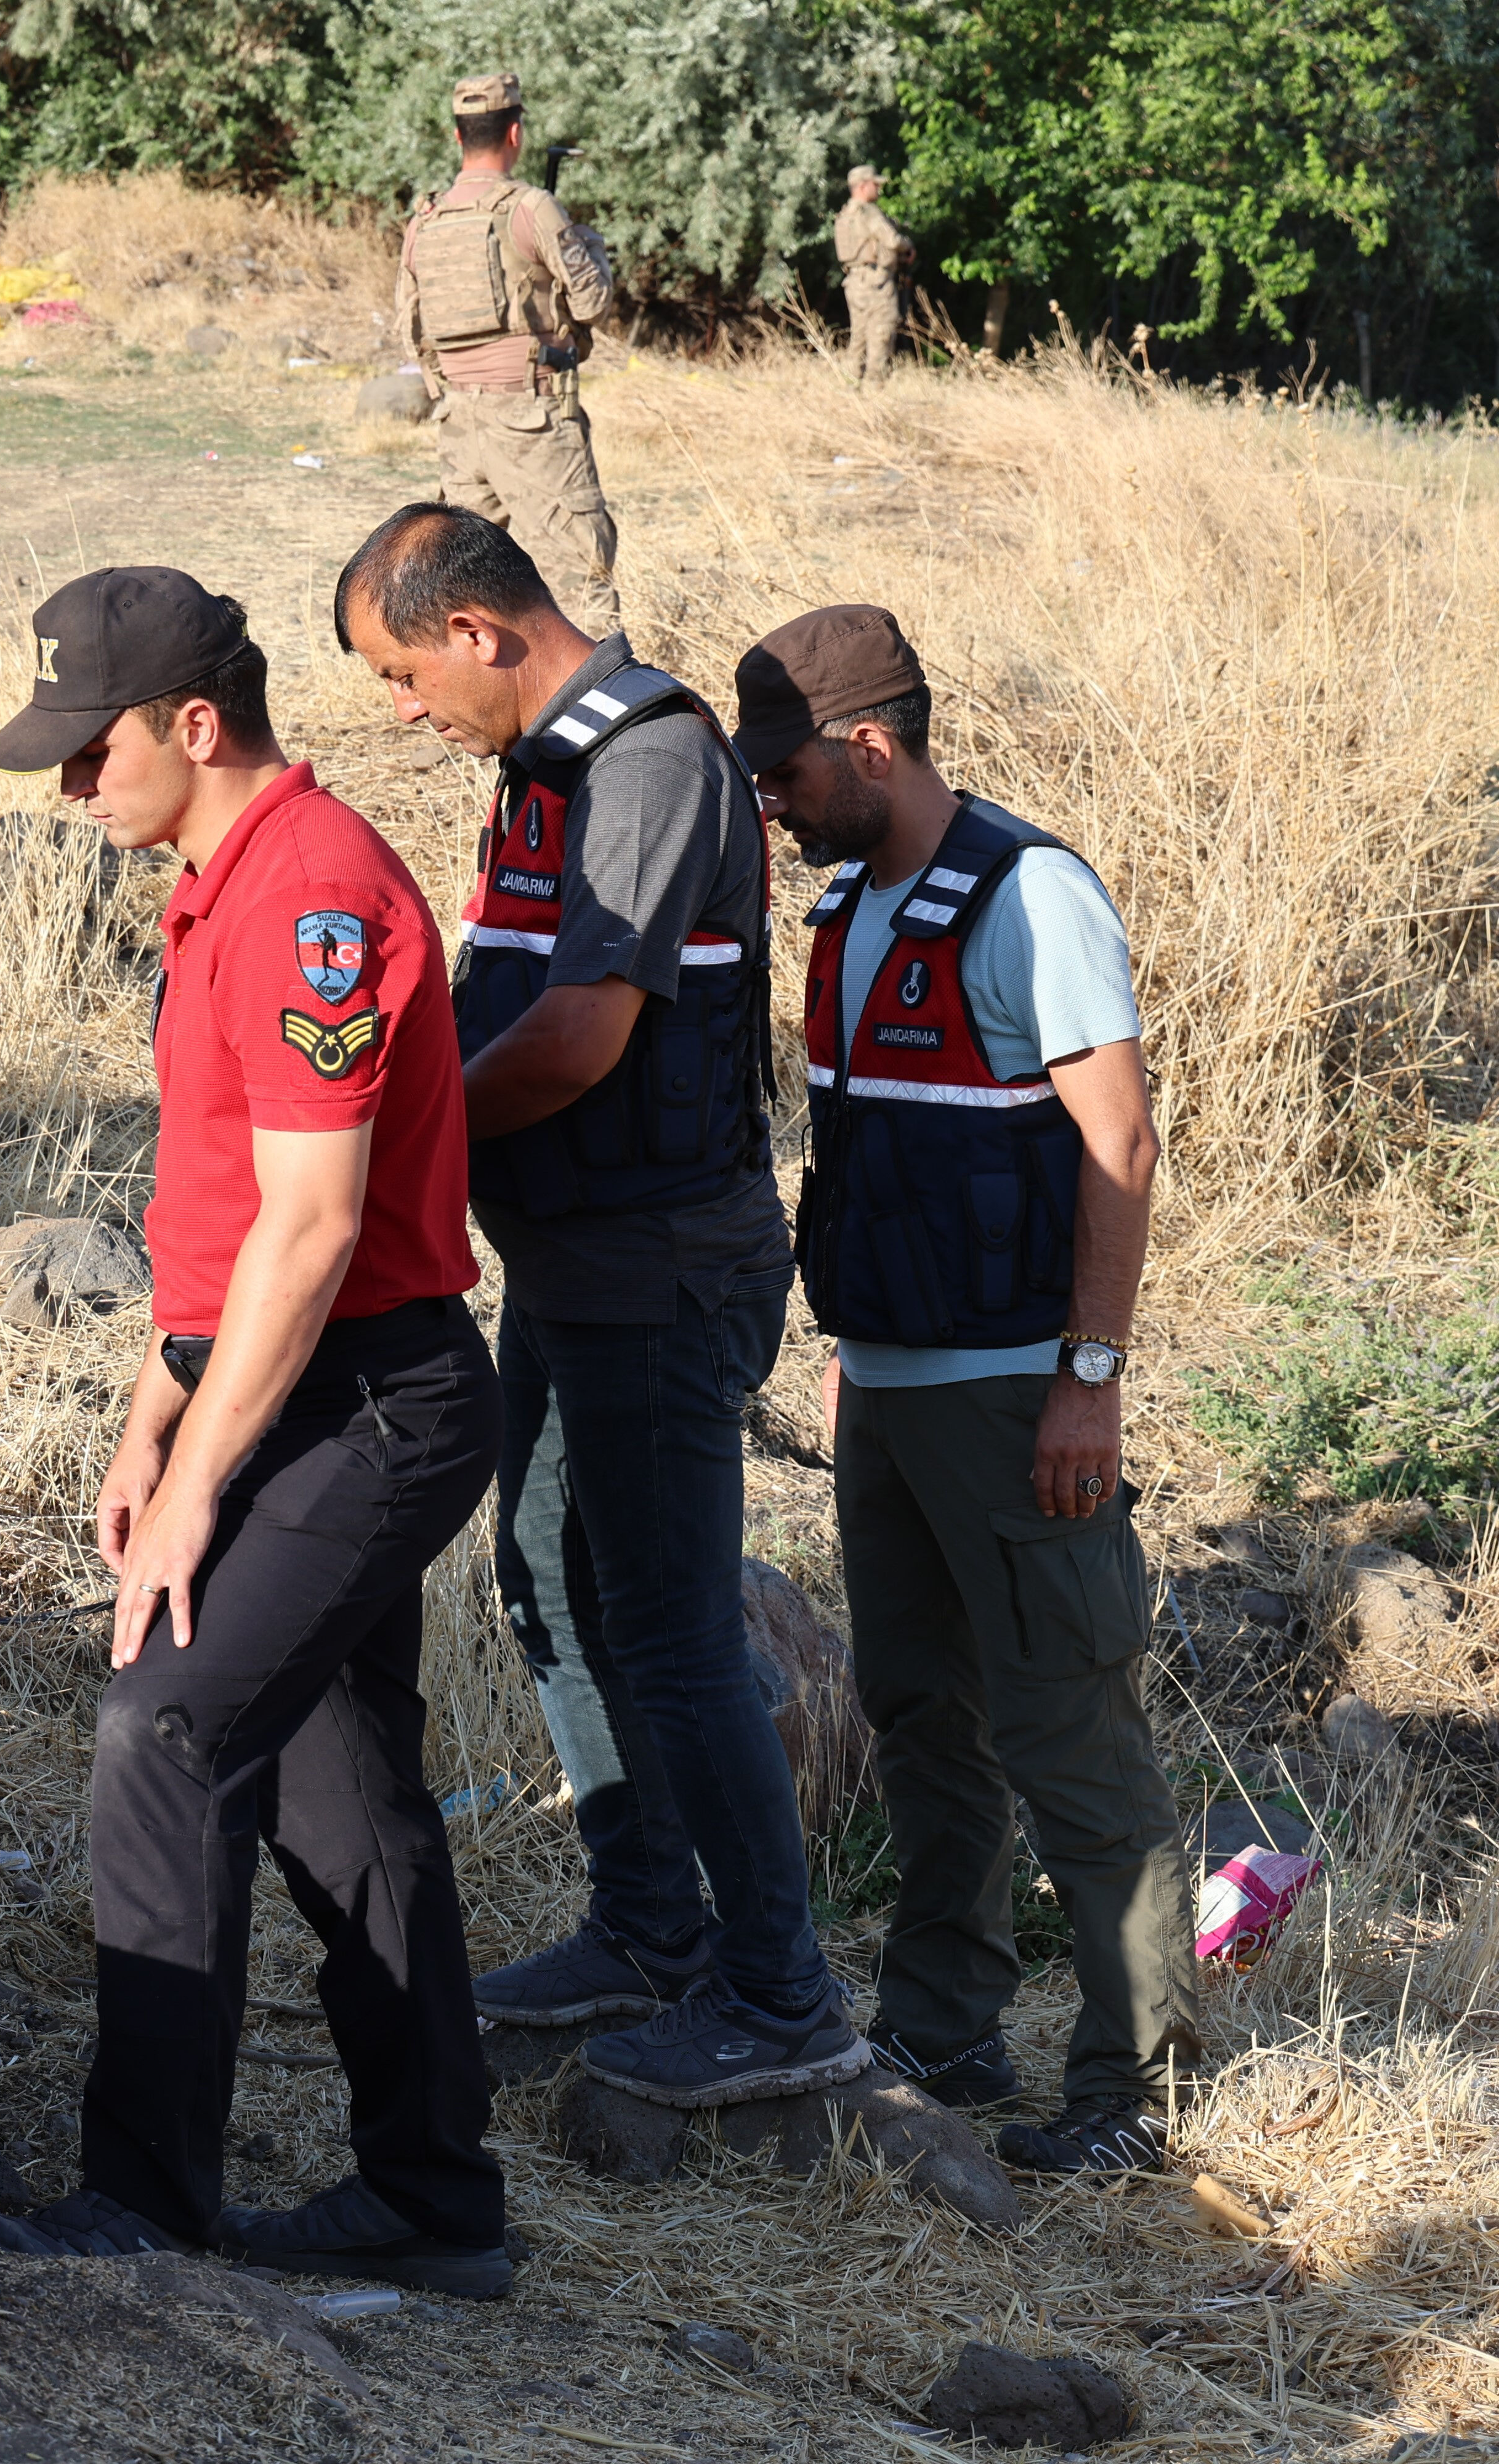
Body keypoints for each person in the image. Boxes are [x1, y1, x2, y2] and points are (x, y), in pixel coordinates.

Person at [0, 570, 510, 2293]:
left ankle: (143, 2206)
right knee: (343, 1801)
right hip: (287, 1383)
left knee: (166, 1734)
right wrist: (158, 1413)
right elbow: (222, 1220)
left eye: (88, 752)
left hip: (376, 1397)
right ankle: (432, 2199)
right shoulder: (220, 885)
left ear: (196, 727)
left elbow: (319, 1228)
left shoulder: (312, 896)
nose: (69, 790)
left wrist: (204, 1484)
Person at [334, 503, 868, 2109]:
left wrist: (393, 1135)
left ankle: (783, 1999)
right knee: (551, 1586)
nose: (403, 711)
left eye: (406, 673)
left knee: (678, 1628)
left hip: (656, 1265)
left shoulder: (643, 762)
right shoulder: (550, 764)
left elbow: (577, 1039)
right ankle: (647, 1928)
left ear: (482, 629)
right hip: (576, 1260)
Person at [738, 605, 1194, 2174]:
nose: (771, 804)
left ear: (870, 746)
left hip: (1019, 1395)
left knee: (1071, 1732)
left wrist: (1089, 1382)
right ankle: (944, 2028)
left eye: (787, 771)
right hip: (893, 1389)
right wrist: (863, 1367)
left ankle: (1136, 2092)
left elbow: (1118, 1145)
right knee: (923, 1714)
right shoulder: (855, 904)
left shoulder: (1032, 893)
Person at [392, 73, 623, 639]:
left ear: (457, 137)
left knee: (467, 582)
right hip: (533, 417)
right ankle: (602, 717)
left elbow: (409, 329)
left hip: (457, 422)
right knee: (579, 571)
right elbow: (593, 301)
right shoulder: (531, 207)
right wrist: (588, 243)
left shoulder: (425, 220)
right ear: (515, 132)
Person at [834, 168, 913, 387]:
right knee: (882, 334)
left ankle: (849, 387)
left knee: (858, 338)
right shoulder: (869, 213)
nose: (878, 188)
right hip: (876, 283)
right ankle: (874, 389)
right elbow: (892, 241)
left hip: (854, 282)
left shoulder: (845, 214)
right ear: (862, 186)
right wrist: (908, 246)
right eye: (874, 184)